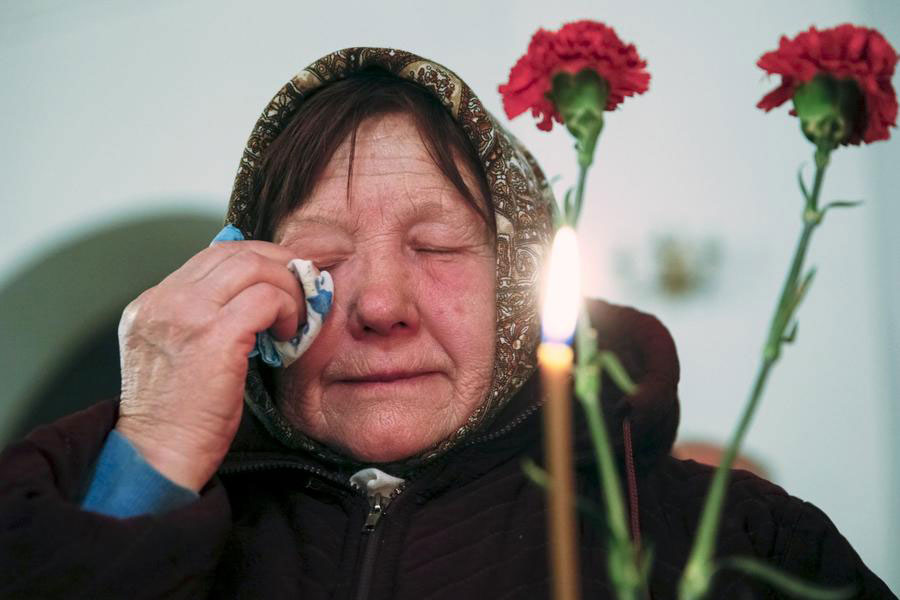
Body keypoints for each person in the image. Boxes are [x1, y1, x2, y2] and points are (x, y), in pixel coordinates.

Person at [0, 48, 892, 599]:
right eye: (326, 258)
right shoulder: (49, 516)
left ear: (516, 283)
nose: (381, 306)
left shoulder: (735, 542)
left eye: (438, 246)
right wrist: (150, 457)